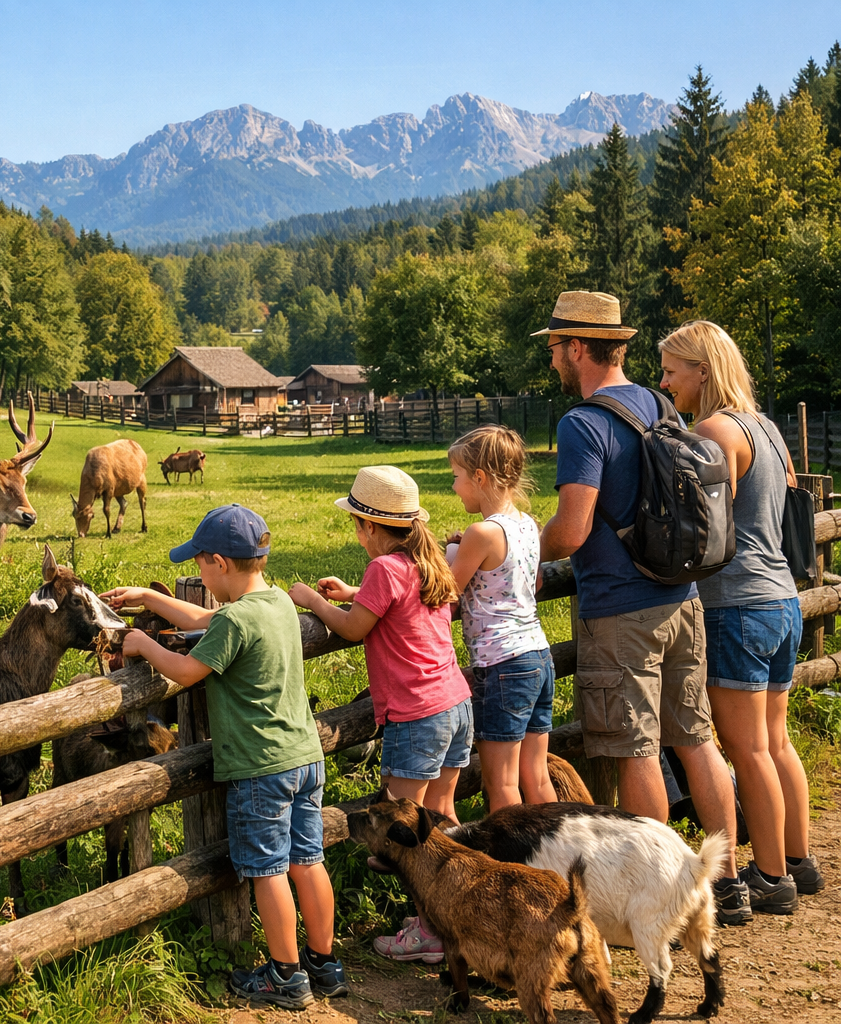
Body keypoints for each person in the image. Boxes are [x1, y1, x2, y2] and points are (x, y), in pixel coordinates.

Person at [534, 291, 745, 922]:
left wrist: (516, 547)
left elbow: (571, 532)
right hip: (681, 595)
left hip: (623, 610)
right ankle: (727, 880)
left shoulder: (583, 424)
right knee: (697, 737)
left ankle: (664, 894)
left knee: (636, 747)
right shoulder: (658, 403)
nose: (551, 362)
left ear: (577, 347)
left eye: (553, 348)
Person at [104, 504, 346, 1009]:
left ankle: (285, 976)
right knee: (308, 860)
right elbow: (207, 619)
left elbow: (187, 671)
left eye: (199, 564)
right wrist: (151, 597)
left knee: (268, 870)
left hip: (262, 768)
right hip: (304, 756)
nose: (197, 573)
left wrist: (143, 643)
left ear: (219, 563)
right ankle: (324, 963)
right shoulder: (275, 601)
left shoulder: (235, 619)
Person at [659, 320, 826, 912]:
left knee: (747, 747)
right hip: (780, 597)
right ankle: (799, 862)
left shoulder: (712, 430)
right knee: (776, 741)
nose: (666, 382)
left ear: (702, 371)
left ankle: (771, 877)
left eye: (672, 370)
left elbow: (704, 523)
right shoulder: (766, 427)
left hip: (735, 601)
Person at [289, 465, 470, 964]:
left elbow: (352, 629)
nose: (356, 531)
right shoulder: (424, 561)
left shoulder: (384, 569)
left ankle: (427, 930)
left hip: (417, 714)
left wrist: (311, 601)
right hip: (455, 703)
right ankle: (455, 920)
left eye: (356, 523)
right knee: (443, 818)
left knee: (404, 829)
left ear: (369, 526)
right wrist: (353, 593)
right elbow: (392, 608)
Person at [446, 425, 557, 810]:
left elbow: (445, 590)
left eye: (457, 476)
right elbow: (528, 577)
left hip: (503, 665)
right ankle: (555, 861)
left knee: (502, 785)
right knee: (537, 777)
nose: (454, 486)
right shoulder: (527, 524)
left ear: (479, 477)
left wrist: (449, 553)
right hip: (538, 658)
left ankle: (513, 868)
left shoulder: (482, 532)